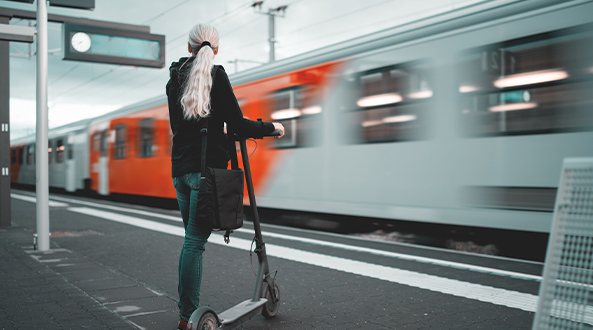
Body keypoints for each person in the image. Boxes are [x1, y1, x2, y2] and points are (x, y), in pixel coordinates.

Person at [165, 23, 284, 330]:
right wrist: (272, 128)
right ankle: (188, 315)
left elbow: (178, 129)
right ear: (215, 49)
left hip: (181, 172)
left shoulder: (174, 80)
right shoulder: (217, 75)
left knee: (191, 242)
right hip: (207, 174)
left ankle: (184, 313)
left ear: (189, 47)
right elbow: (238, 125)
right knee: (194, 244)